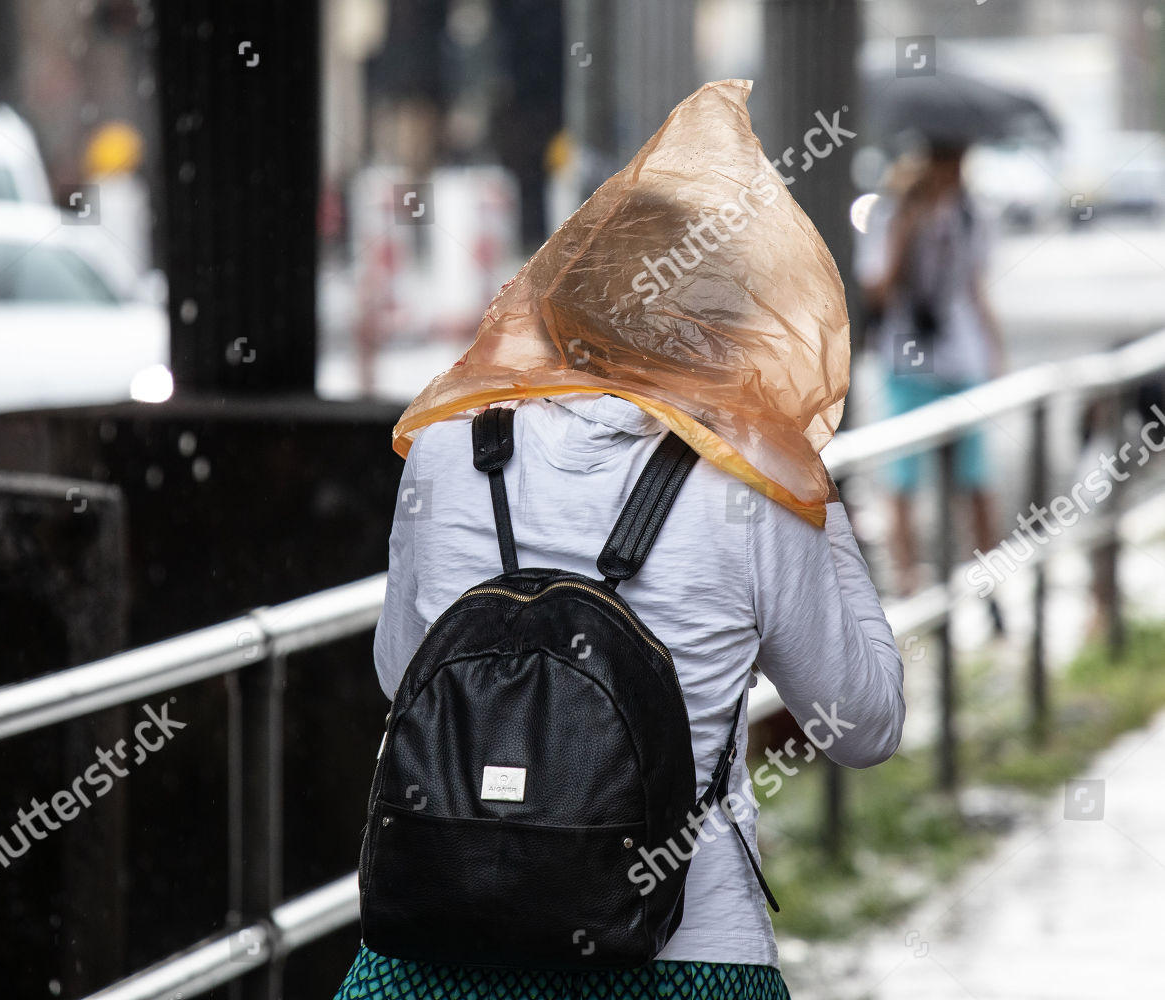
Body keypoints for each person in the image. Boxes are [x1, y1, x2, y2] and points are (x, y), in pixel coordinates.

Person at [333, 391, 907, 999]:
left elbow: (402, 678)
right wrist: (821, 502)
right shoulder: (754, 477)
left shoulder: (444, 450)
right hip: (688, 962)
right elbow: (866, 728)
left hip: (433, 956)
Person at [861, 144, 1006, 601]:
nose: (952, 171)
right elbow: (877, 289)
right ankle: (910, 586)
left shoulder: (969, 216)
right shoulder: (889, 214)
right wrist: (906, 230)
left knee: (976, 480)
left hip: (961, 357)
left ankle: (991, 584)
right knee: (902, 481)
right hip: (906, 360)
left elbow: (976, 287)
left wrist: (995, 351)